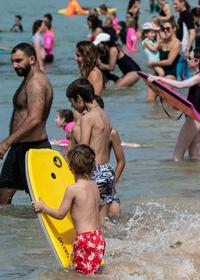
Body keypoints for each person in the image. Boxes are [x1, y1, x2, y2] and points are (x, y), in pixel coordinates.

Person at [32, 144, 105, 275]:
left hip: (85, 241)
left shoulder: (73, 189)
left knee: (81, 275)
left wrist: (43, 207)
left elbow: (60, 214)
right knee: (93, 273)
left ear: (70, 168)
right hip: (98, 237)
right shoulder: (94, 186)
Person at [0, 43, 53, 204]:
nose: (14, 65)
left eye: (18, 61)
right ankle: (13, 229)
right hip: (19, 148)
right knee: (3, 196)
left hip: (34, 150)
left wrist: (6, 142)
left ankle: (34, 230)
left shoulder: (36, 83)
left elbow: (34, 118)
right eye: (12, 61)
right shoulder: (29, 79)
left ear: (31, 59)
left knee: (41, 201)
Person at [148, 48, 200, 161]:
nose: (187, 60)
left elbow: (181, 85)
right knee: (194, 157)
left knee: (177, 156)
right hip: (199, 119)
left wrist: (158, 78)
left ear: (196, 61)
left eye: (190, 58)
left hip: (193, 119)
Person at [66, 78, 115, 221]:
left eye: (72, 102)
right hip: (107, 170)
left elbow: (83, 148)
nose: (73, 107)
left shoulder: (88, 117)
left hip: (95, 171)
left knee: (87, 218)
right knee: (102, 220)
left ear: (79, 98)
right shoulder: (104, 114)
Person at [173, 0, 196, 80]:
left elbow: (192, 32)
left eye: (176, 4)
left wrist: (187, 50)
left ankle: (187, 92)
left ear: (182, 3)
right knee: (180, 76)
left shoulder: (187, 15)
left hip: (185, 50)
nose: (174, 6)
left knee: (185, 76)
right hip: (181, 49)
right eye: (173, 4)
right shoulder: (181, 14)